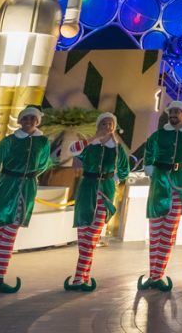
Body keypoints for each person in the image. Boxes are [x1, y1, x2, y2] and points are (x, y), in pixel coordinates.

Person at [0, 105, 52, 294]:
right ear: (20, 121)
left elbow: (43, 164)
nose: (29, 121)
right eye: (26, 118)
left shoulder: (43, 142)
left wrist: (29, 177)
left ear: (38, 121)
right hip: (6, 188)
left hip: (26, 191)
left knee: (9, 236)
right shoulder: (8, 141)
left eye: (33, 119)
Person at [64, 112, 130, 292]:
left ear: (114, 127)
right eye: (104, 124)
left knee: (92, 235)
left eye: (110, 124)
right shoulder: (89, 145)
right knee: (84, 234)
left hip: (105, 193)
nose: (107, 127)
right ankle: (84, 276)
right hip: (86, 189)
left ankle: (78, 277)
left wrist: (113, 179)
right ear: (99, 125)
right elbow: (73, 149)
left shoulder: (117, 148)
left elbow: (125, 170)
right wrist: (94, 137)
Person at [139, 100, 182, 292]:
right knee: (155, 230)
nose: (174, 114)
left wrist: (180, 170)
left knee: (169, 232)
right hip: (159, 183)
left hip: (178, 184)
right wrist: (150, 169)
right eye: (171, 111)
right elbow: (148, 152)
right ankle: (153, 274)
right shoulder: (158, 135)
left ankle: (158, 274)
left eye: (177, 112)